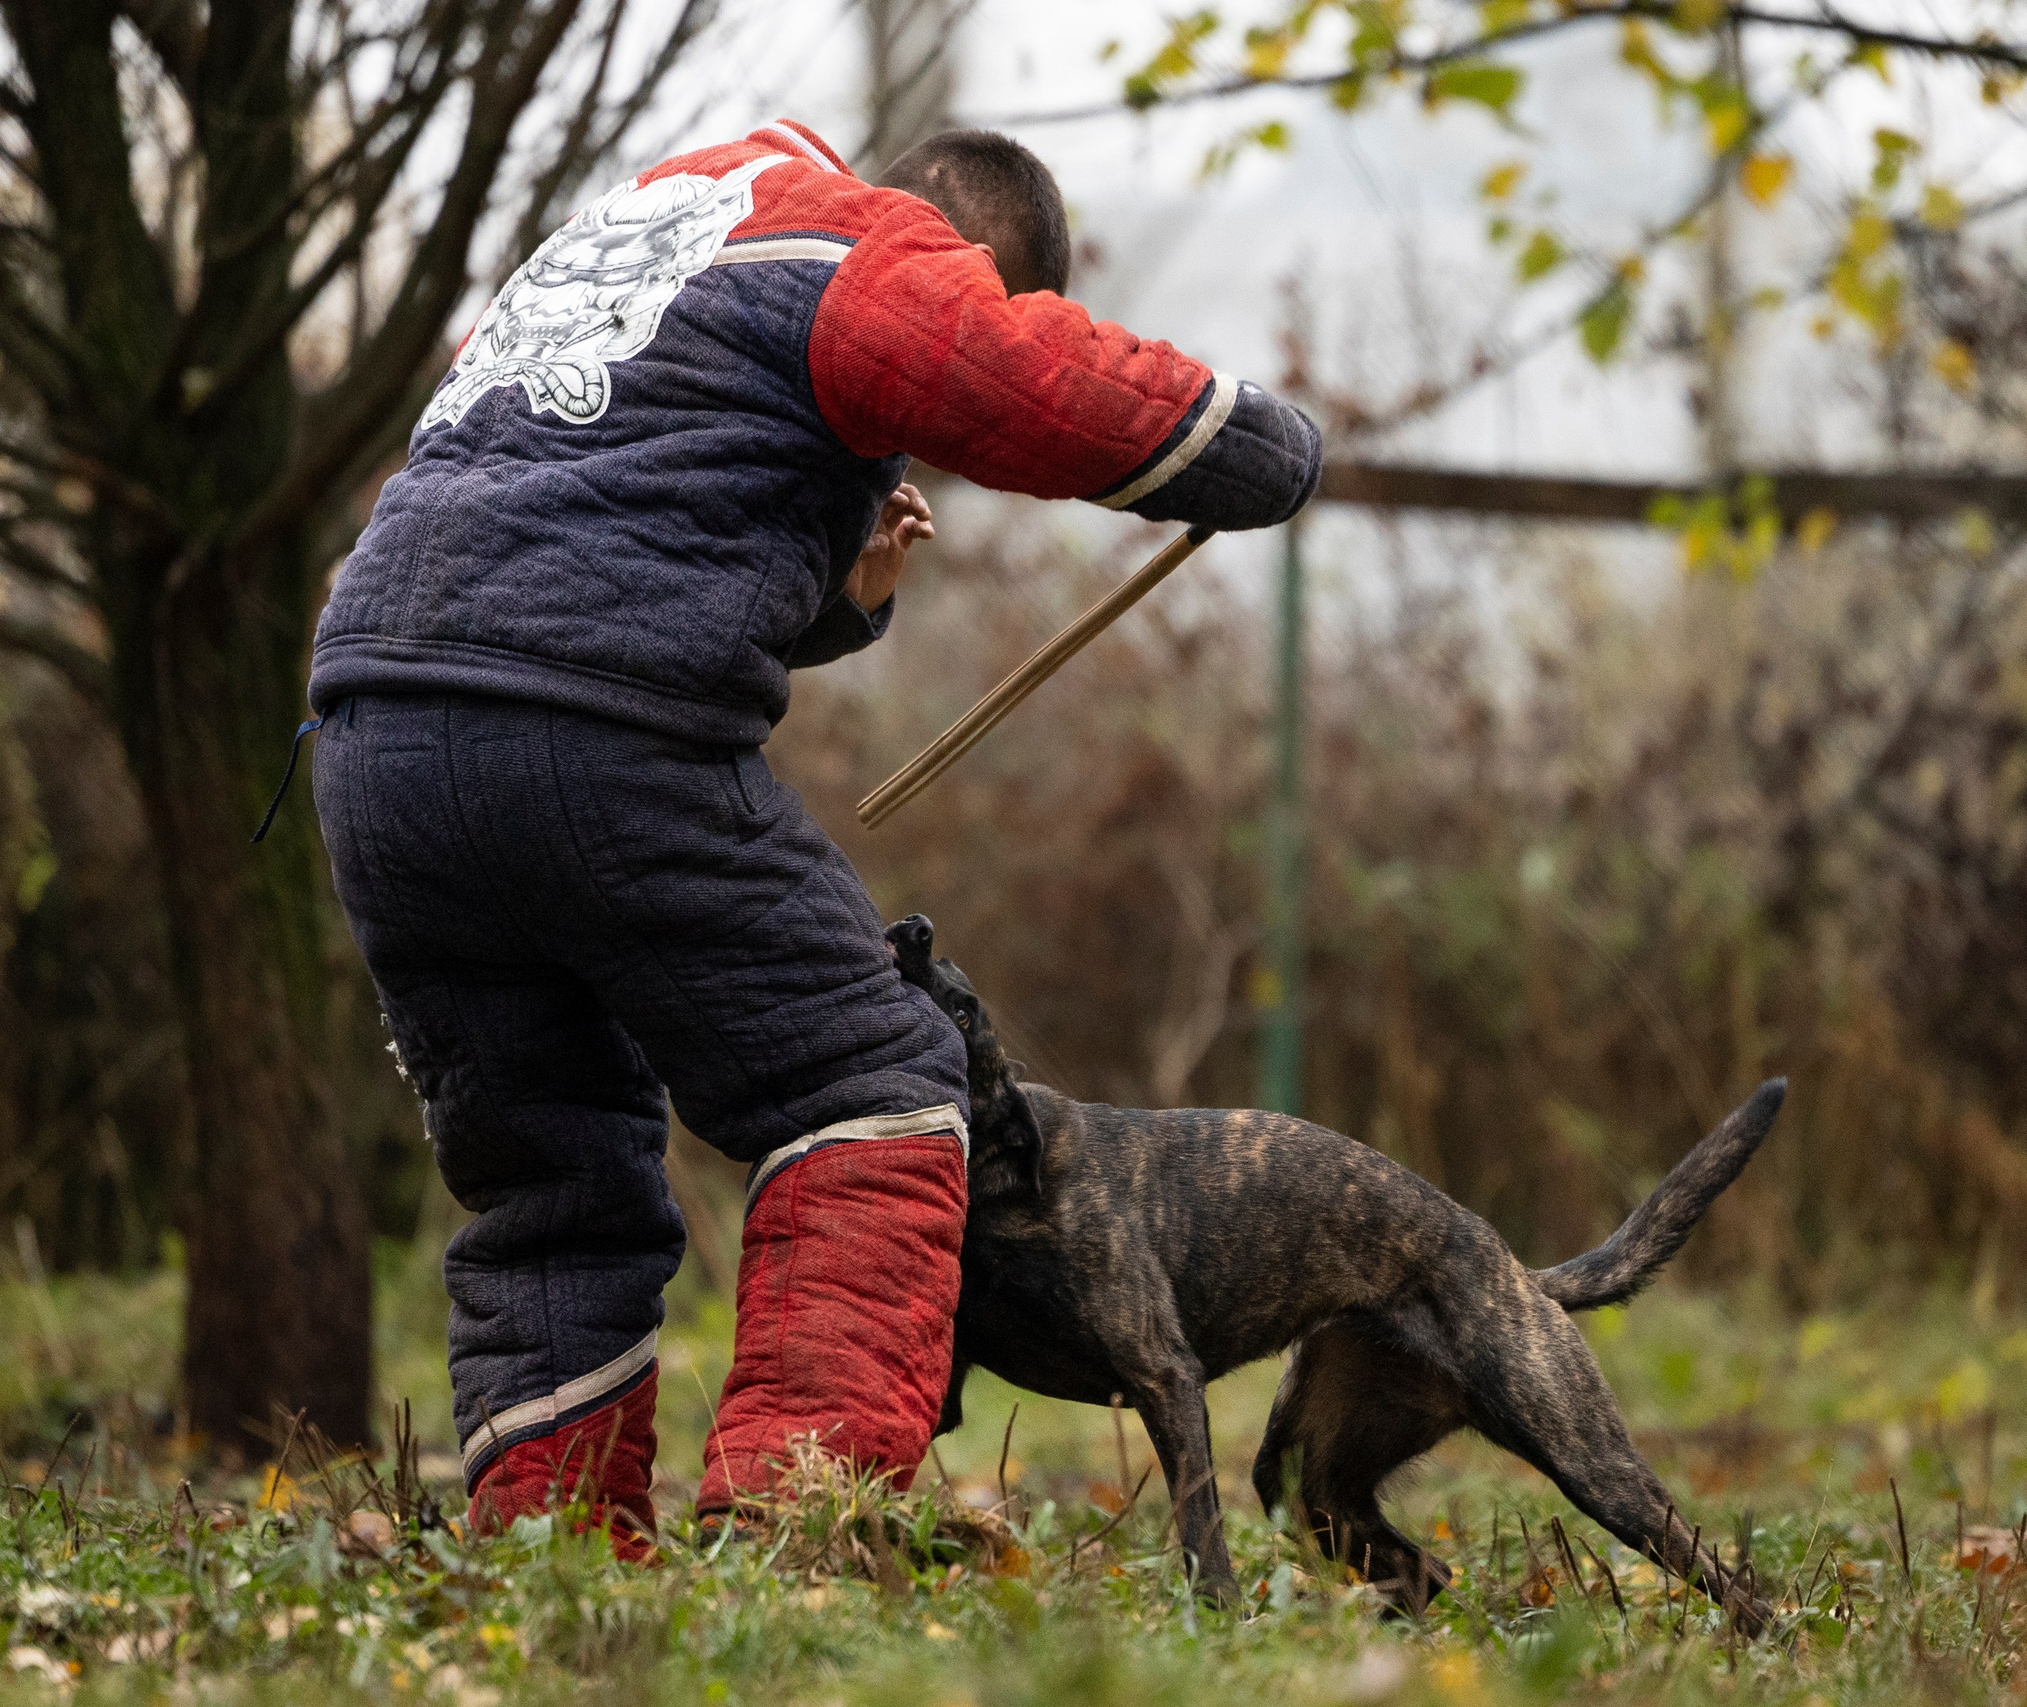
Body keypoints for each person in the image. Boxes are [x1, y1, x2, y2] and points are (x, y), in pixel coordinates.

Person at [306, 119, 1320, 1559]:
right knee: (869, 1085)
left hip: (373, 742)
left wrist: (853, 585)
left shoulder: (638, 243)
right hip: (588, 732)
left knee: (554, 1182)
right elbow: (1026, 381)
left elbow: (624, 531)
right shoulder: (858, 236)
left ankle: (551, 1561)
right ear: (968, 255)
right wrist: (1254, 444)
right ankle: (796, 1531)